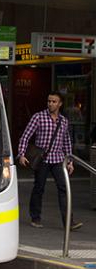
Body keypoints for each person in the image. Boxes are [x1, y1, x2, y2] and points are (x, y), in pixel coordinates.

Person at [18, 92, 83, 230]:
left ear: (60, 104)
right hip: (43, 160)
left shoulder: (64, 121)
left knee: (64, 188)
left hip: (58, 160)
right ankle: (35, 217)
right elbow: (25, 136)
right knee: (39, 188)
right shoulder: (38, 117)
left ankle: (69, 222)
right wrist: (22, 154)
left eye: (54, 102)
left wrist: (70, 162)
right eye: (49, 101)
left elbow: (67, 143)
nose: (51, 104)